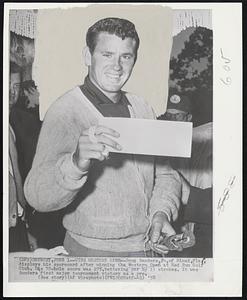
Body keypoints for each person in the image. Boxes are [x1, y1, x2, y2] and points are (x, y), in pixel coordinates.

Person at [24, 17, 182, 257]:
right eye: (107, 54)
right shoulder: (65, 111)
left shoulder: (143, 108)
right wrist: (75, 164)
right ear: (88, 56)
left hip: (147, 247)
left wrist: (161, 212)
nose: (117, 66)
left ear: (134, 59)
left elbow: (166, 174)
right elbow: (37, 197)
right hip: (92, 252)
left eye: (126, 56)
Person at [9, 62, 30, 252]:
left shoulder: (16, 123)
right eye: (6, 85)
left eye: (15, 86)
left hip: (17, 218)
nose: (11, 93)